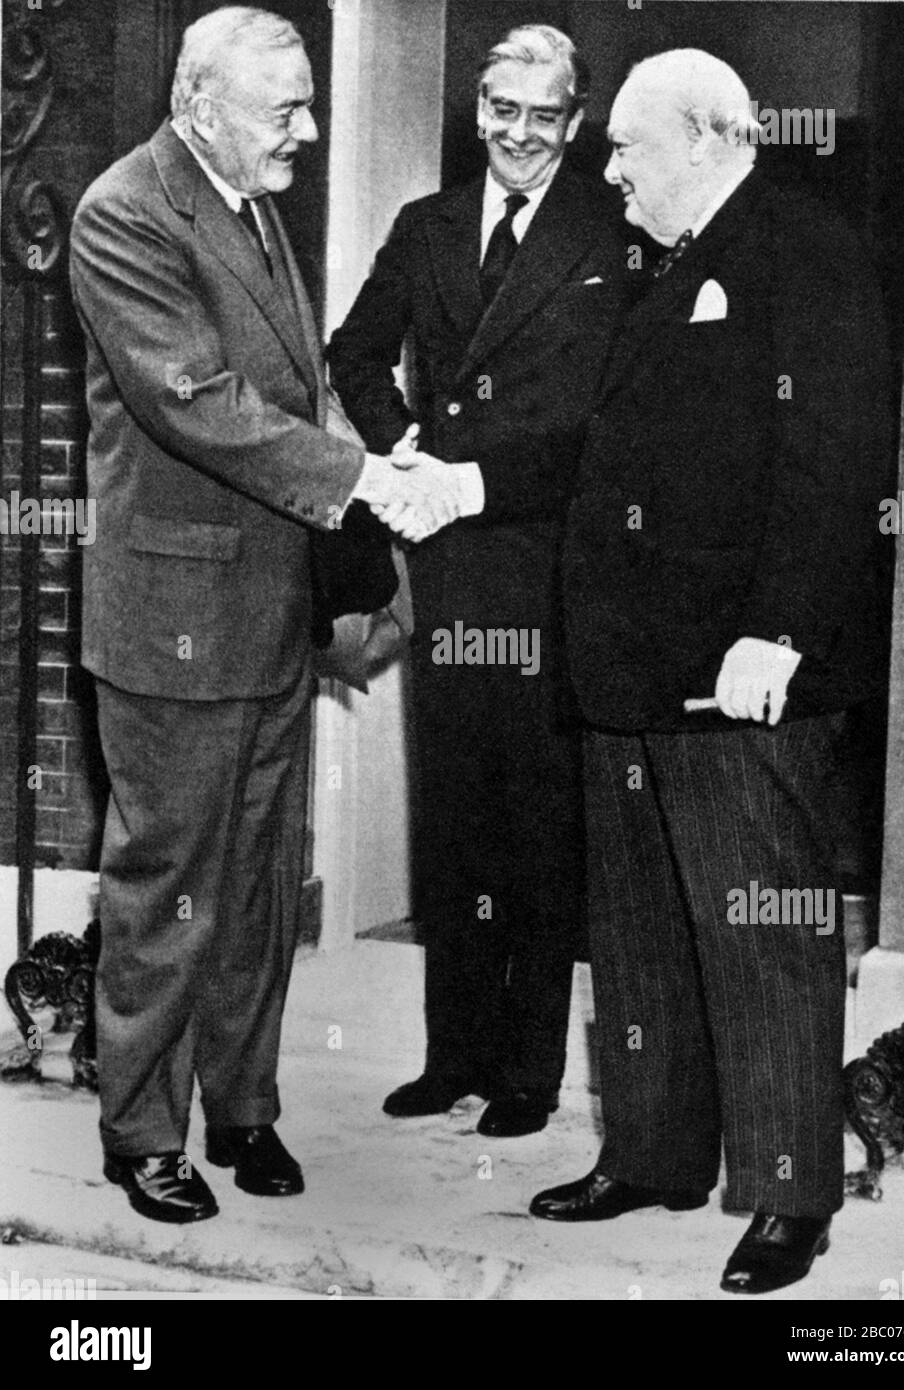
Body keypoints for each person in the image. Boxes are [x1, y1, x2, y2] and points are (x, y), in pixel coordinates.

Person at [69, 5, 453, 1224]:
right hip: (174, 614)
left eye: (306, 102)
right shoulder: (125, 212)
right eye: (283, 108)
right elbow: (200, 400)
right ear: (198, 105)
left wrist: (365, 485)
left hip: (267, 608)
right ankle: (142, 1132)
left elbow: (296, 382)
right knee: (170, 884)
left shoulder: (250, 197)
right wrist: (359, 482)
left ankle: (242, 1107)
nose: (309, 127)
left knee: (258, 878)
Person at [530, 50, 893, 1294]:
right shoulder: (656, 265)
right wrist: (460, 479)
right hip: (628, 670)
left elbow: (834, 449)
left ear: (709, 137)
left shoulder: (805, 246)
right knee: (637, 932)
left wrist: (780, 631)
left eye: (630, 149)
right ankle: (652, 1151)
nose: (613, 172)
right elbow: (597, 442)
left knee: (762, 928)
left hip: (737, 672)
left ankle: (792, 1192)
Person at [328, 25, 633, 1138]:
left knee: (538, 824)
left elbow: (609, 424)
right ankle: (450, 1052)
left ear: (578, 120)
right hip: (446, 567)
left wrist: (476, 481)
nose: (515, 133)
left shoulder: (616, 230)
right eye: (498, 110)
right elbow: (351, 351)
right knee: (451, 814)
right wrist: (403, 445)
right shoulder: (429, 226)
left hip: (546, 564)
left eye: (540, 116)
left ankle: (525, 1072)